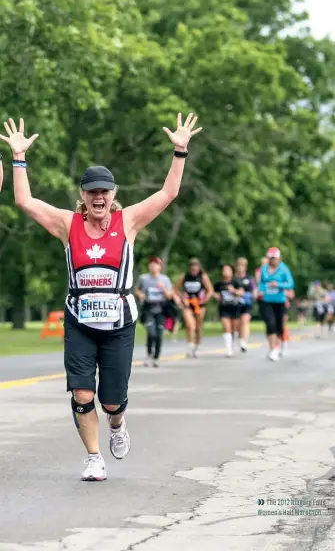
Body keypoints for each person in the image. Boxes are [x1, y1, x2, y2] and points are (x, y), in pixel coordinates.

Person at [0, 112, 202, 481]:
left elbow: (168, 193)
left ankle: (118, 422)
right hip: (79, 320)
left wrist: (180, 151)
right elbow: (26, 201)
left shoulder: (129, 222)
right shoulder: (67, 223)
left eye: (104, 191)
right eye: (91, 191)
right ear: (83, 195)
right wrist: (19, 158)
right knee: (81, 393)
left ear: (113, 196)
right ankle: (94, 457)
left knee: (111, 400)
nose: (98, 197)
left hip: (119, 321)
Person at [259, 247, 294, 361]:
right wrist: (261, 290)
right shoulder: (264, 269)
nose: (272, 260)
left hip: (280, 300)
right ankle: (272, 349)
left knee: (279, 326)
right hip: (267, 300)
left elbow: (290, 284)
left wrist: (278, 284)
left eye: (274, 258)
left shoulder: (284, 269)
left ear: (279, 258)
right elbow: (262, 283)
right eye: (270, 258)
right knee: (270, 323)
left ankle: (277, 345)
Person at [136, 257, 173, 367]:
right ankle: (148, 355)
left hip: (161, 310)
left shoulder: (165, 279)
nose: (153, 266)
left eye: (156, 264)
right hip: (148, 309)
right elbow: (137, 290)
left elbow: (170, 295)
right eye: (151, 264)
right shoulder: (144, 278)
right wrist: (140, 295)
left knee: (159, 335)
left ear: (160, 267)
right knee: (151, 333)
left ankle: (156, 357)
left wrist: (163, 289)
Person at [174, 257, 213, 357]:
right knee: (190, 325)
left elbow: (210, 290)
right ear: (190, 267)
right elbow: (176, 289)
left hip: (200, 305)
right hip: (188, 304)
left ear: (199, 267)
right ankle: (190, 346)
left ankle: (196, 346)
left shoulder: (203, 277)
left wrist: (204, 299)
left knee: (198, 327)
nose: (194, 269)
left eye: (196, 266)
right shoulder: (185, 276)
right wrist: (182, 298)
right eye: (192, 266)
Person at [214, 264, 244, 357]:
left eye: (228, 270)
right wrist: (216, 296)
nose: (226, 272)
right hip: (224, 308)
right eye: (224, 270)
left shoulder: (236, 281)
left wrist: (234, 291)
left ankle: (233, 342)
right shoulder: (219, 283)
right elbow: (213, 292)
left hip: (235, 307)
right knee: (226, 328)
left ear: (231, 272)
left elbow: (241, 292)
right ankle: (229, 349)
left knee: (234, 329)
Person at [233, 257, 256, 352]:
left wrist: (246, 294)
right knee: (237, 325)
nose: (240, 267)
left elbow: (254, 290)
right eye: (239, 265)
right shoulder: (233, 279)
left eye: (242, 266)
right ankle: (237, 337)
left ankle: (244, 342)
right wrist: (236, 292)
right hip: (235, 304)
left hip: (246, 303)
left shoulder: (249, 278)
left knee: (245, 321)